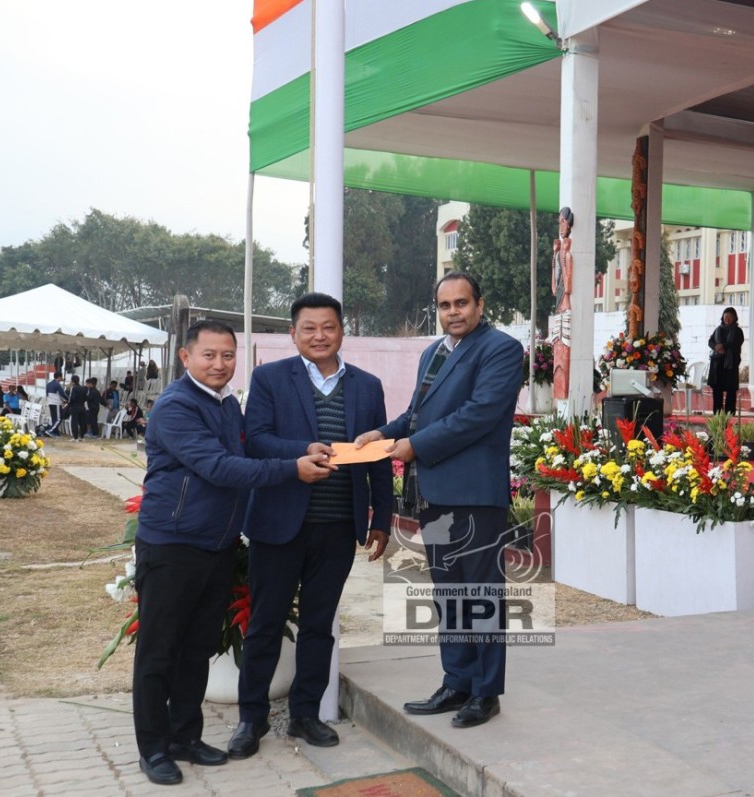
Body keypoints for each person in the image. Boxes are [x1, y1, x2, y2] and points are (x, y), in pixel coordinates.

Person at [132, 318, 333, 787]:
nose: (220, 364)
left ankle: (185, 737)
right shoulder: (177, 405)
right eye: (209, 355)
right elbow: (220, 467)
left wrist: (299, 449)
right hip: (172, 544)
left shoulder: (225, 405)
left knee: (197, 649)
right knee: (159, 652)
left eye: (228, 355)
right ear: (186, 358)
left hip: (217, 545)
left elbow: (249, 449)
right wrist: (292, 469)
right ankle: (154, 748)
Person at [354, 272, 523, 729]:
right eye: (445, 305)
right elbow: (417, 413)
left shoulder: (501, 349)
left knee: (480, 593)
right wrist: (385, 434)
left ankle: (485, 693)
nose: (453, 312)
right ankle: (457, 681)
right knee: (449, 594)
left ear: (480, 305)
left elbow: (479, 414)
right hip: (434, 492)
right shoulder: (433, 352)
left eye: (462, 303)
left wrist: (415, 447)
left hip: (474, 492)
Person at [229, 292, 391, 756]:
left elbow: (379, 455)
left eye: (328, 327)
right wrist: (300, 453)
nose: (319, 336)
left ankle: (304, 715)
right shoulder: (268, 379)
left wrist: (381, 515)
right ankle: (251, 720)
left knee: (320, 625)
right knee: (265, 623)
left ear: (343, 330)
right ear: (292, 333)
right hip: (279, 524)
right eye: (309, 328)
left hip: (339, 525)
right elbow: (256, 440)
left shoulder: (367, 385)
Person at [551, 206, 574, 400]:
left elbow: (567, 285)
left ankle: (563, 388)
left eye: (563, 222)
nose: (561, 226)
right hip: (559, 306)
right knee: (558, 347)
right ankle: (559, 389)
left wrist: (563, 257)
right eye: (559, 222)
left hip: (565, 306)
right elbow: (554, 287)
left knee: (564, 347)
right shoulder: (560, 253)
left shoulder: (567, 254)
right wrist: (555, 256)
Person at [707, 307, 745, 414]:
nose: (727, 319)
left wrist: (722, 346)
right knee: (717, 390)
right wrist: (716, 347)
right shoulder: (718, 329)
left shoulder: (738, 331)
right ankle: (717, 413)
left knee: (731, 390)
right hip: (717, 364)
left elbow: (736, 344)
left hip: (730, 364)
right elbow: (710, 341)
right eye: (725, 316)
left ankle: (730, 413)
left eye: (730, 317)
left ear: (734, 318)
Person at [44, 371, 69, 437]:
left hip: (50, 402)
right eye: (61, 377)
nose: (62, 378)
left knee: (54, 418)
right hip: (56, 403)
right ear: (59, 377)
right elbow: (63, 394)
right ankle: (50, 431)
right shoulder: (57, 384)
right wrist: (68, 399)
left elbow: (47, 394)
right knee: (59, 418)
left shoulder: (48, 384)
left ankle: (55, 432)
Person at [66, 375, 88, 441]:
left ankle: (75, 437)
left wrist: (68, 403)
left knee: (74, 422)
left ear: (72, 381)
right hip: (82, 406)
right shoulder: (83, 388)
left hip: (75, 407)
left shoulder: (74, 388)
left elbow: (72, 398)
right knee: (82, 422)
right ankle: (82, 436)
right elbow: (85, 398)